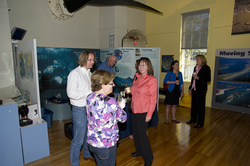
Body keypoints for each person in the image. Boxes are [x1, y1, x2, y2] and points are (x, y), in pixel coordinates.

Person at [86, 70, 127, 166]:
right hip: (106, 144)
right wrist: (120, 107)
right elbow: (123, 118)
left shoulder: (89, 97)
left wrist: (115, 108)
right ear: (103, 85)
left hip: (93, 142)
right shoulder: (111, 102)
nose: (113, 85)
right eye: (111, 83)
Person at [126, 57, 158, 166]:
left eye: (143, 65)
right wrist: (129, 90)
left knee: (142, 135)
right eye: (140, 65)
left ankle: (148, 159)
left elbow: (153, 99)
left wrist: (149, 114)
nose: (141, 67)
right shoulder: (137, 77)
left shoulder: (152, 79)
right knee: (135, 133)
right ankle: (139, 151)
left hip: (144, 111)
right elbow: (135, 91)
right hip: (135, 109)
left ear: (148, 66)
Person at [67, 50, 96, 166]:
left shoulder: (89, 73)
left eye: (93, 60)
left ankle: (86, 153)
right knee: (78, 140)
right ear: (83, 59)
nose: (93, 62)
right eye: (90, 60)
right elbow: (71, 93)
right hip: (79, 110)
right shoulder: (75, 73)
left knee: (87, 135)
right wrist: (90, 92)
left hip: (88, 109)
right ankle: (74, 163)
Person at [186, 54, 211, 128]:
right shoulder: (195, 68)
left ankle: (200, 123)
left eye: (198, 59)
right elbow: (193, 79)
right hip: (194, 89)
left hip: (201, 90)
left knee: (200, 107)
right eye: (196, 59)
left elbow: (208, 79)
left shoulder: (206, 68)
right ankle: (193, 119)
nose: (196, 60)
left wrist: (198, 77)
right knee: (193, 105)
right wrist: (190, 87)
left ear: (202, 60)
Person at [163, 60, 184, 124]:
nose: (177, 66)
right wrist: (174, 82)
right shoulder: (170, 73)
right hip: (170, 90)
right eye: (176, 64)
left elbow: (182, 83)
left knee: (175, 105)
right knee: (168, 105)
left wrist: (182, 91)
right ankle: (167, 119)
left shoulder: (180, 73)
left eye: (178, 64)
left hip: (177, 90)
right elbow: (165, 81)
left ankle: (173, 118)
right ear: (173, 66)